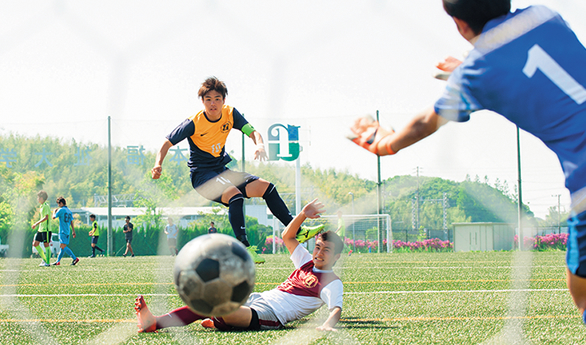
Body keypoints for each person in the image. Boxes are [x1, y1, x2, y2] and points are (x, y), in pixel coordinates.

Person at [349, 0, 586, 325]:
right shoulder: (545, 15)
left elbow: (425, 122)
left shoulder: (477, 74)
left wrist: (386, 144)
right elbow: (542, 67)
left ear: (459, 24)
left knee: (583, 293)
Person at [151, 77, 323, 264]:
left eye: (217, 98)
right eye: (208, 99)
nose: (213, 103)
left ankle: (296, 231)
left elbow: (253, 131)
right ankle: (245, 247)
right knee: (235, 195)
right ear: (202, 101)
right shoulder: (193, 123)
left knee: (267, 188)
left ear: (224, 100)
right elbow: (166, 142)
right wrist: (158, 164)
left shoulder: (230, 114)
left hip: (222, 171)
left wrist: (260, 146)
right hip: (203, 177)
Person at [135, 198, 343, 332]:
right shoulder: (306, 262)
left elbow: (335, 309)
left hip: (271, 314)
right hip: (257, 298)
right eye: (317, 247)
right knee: (209, 300)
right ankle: (210, 321)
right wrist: (303, 215)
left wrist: (327, 326)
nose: (319, 253)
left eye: (326, 250)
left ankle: (164, 322)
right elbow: (287, 236)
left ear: (336, 257)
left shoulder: (331, 282)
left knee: (212, 303)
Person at [52, 196, 79, 266]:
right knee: (62, 247)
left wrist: (54, 212)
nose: (58, 205)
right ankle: (58, 261)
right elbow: (71, 221)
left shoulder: (61, 210)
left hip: (62, 231)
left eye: (58, 203)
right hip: (67, 231)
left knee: (63, 246)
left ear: (61, 203)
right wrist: (73, 231)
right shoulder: (69, 211)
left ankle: (74, 258)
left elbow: (53, 217)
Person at [30, 190, 52, 267]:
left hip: (46, 229)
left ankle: (47, 262)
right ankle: (45, 259)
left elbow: (46, 217)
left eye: (38, 197)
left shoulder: (46, 205)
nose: (37, 199)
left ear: (42, 198)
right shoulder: (42, 206)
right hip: (41, 229)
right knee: (35, 244)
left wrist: (36, 223)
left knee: (46, 245)